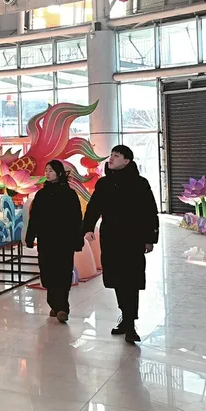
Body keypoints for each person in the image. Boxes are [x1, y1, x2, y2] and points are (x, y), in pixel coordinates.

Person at [82, 144, 159, 343]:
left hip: (133, 238)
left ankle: (130, 323)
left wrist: (150, 238)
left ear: (127, 161)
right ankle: (125, 317)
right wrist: (88, 227)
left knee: (131, 280)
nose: (111, 158)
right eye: (111, 155)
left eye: (116, 156)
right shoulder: (104, 183)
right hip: (111, 238)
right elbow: (94, 207)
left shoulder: (140, 183)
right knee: (116, 279)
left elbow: (150, 211)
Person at [25, 160, 83, 323]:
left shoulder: (69, 194)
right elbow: (34, 218)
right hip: (46, 240)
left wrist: (78, 240)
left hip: (65, 241)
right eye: (46, 170)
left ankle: (62, 307)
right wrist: (30, 237)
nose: (47, 173)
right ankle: (54, 304)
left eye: (50, 170)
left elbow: (76, 218)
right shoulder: (41, 194)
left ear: (59, 173)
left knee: (63, 272)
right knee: (48, 273)